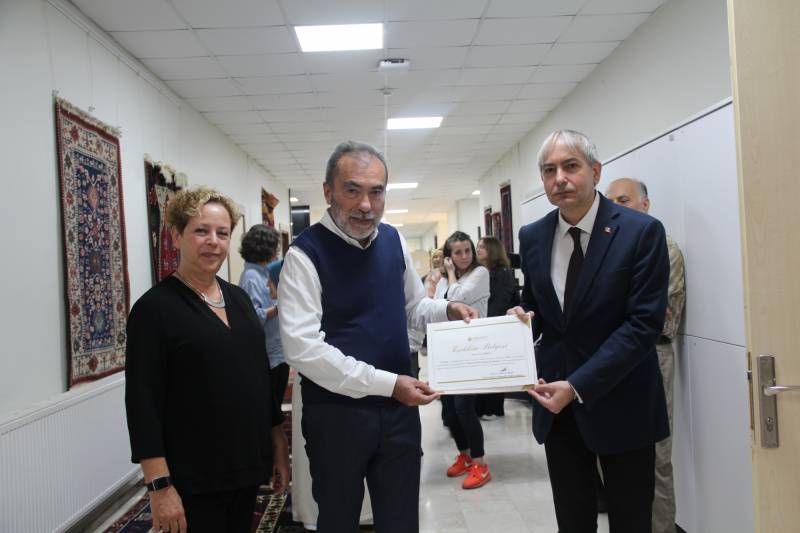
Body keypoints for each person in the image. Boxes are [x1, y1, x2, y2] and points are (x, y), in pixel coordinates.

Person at [278, 141, 477, 532]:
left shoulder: (392, 240)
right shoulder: (304, 255)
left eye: (376, 191)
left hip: (399, 413)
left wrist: (448, 309)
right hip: (336, 416)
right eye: (352, 190)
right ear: (328, 191)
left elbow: (413, 307)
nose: (366, 205)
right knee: (338, 521)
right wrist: (389, 385)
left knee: (401, 519)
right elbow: (303, 349)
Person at [509, 130, 670, 533]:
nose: (559, 178)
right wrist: (520, 321)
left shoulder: (641, 232)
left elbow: (642, 325)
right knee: (573, 521)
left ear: (595, 172)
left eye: (570, 166)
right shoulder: (533, 236)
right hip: (557, 407)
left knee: (631, 521)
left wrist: (578, 385)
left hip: (623, 403)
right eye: (549, 171)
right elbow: (540, 308)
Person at [125, 187, 289, 533]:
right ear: (176, 236)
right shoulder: (154, 310)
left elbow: (259, 377)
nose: (213, 242)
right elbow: (142, 403)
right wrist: (159, 486)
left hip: (245, 466)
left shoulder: (239, 300)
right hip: (193, 476)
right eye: (201, 231)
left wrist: (277, 442)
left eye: (222, 233)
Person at [606, 177, 686, 533]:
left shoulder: (664, 247)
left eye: (623, 200)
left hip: (652, 356)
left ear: (645, 204)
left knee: (656, 457)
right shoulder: (611, 248)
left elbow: (653, 317)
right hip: (613, 358)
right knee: (616, 455)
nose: (615, 208)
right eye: (610, 202)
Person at [434, 231, 492, 489]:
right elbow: (437, 306)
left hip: (472, 349)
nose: (464, 256)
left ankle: (480, 463)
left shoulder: (480, 273)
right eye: (457, 252)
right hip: (449, 348)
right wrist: (446, 278)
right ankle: (465, 455)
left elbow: (458, 300)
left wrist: (450, 274)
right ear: (449, 255)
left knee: (464, 407)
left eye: (468, 250)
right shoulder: (444, 280)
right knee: (449, 410)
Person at [238, 224, 290, 406]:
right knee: (270, 406)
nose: (276, 251)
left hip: (278, 350)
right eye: (274, 246)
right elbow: (252, 317)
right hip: (269, 354)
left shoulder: (264, 271)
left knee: (276, 401)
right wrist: (279, 307)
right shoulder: (251, 277)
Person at [475, 236, 519, 419]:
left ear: (492, 250)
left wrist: (485, 321)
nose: (478, 250)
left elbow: (502, 300)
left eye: (482, 247)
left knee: (494, 369)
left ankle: (493, 408)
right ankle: (482, 408)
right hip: (483, 324)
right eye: (477, 246)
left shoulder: (502, 272)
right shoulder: (479, 272)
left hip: (495, 326)